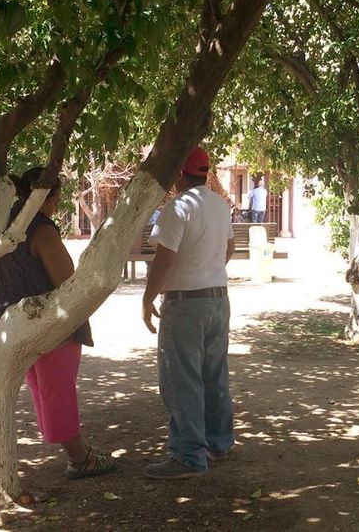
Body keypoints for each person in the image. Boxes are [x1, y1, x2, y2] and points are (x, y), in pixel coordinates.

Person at [0, 167, 115, 480]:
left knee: (42, 389)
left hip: (10, 325)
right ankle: (79, 457)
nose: (57, 204)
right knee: (58, 391)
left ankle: (75, 449)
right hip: (49, 326)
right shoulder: (41, 231)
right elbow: (67, 282)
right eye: (56, 197)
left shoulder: (2, 225)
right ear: (47, 196)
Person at [141, 146, 235, 479]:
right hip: (218, 300)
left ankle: (188, 455)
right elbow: (230, 248)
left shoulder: (178, 207)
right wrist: (209, 271)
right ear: (204, 172)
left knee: (181, 379)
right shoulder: (220, 206)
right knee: (213, 374)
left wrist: (147, 298)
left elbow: (163, 259)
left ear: (180, 174)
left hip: (185, 304)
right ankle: (218, 443)